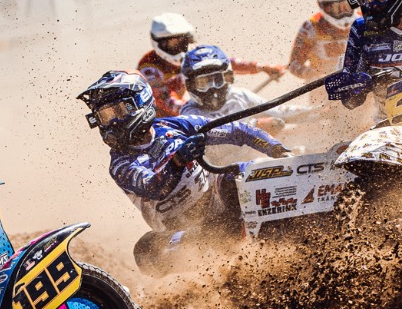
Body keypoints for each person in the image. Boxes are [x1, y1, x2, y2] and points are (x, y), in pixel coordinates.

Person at [79, 70, 288, 249]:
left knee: (244, 173)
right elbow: (153, 187)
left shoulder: (176, 126)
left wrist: (275, 148)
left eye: (118, 111)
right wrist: (178, 160)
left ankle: (289, 220)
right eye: (104, 117)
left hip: (219, 202)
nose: (112, 123)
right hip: (183, 232)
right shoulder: (121, 164)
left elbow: (237, 130)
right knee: (146, 250)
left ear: (140, 102)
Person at [137, 12, 283, 117]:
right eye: (173, 43)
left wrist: (261, 67)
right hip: (162, 124)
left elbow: (221, 64)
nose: (180, 48)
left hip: (186, 115)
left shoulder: (192, 51)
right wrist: (200, 114)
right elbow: (165, 100)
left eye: (183, 41)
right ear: (158, 43)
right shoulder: (149, 69)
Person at [180, 44, 279, 165]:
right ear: (190, 85)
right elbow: (215, 147)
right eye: (203, 83)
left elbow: (280, 112)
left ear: (227, 77)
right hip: (219, 171)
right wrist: (254, 126)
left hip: (253, 160)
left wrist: (303, 113)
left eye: (217, 79)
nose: (212, 89)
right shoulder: (189, 113)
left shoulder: (239, 95)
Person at [286, 0, 355, 80]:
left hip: (358, 80)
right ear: (323, 6)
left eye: (347, 7)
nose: (343, 13)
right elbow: (294, 64)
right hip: (324, 85)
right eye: (337, 8)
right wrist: (314, 76)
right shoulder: (311, 27)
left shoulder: (362, 21)